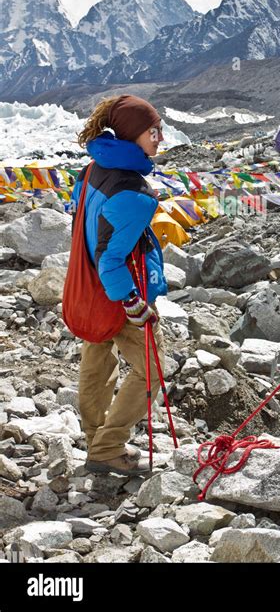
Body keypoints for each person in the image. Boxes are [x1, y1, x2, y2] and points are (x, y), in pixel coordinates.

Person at [71, 94, 168, 477]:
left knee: (97, 365)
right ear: (131, 135)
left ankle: (98, 442)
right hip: (120, 289)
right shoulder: (135, 194)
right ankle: (108, 448)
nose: (160, 137)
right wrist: (133, 303)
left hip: (86, 286)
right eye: (152, 131)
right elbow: (113, 258)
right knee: (152, 371)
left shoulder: (93, 168)